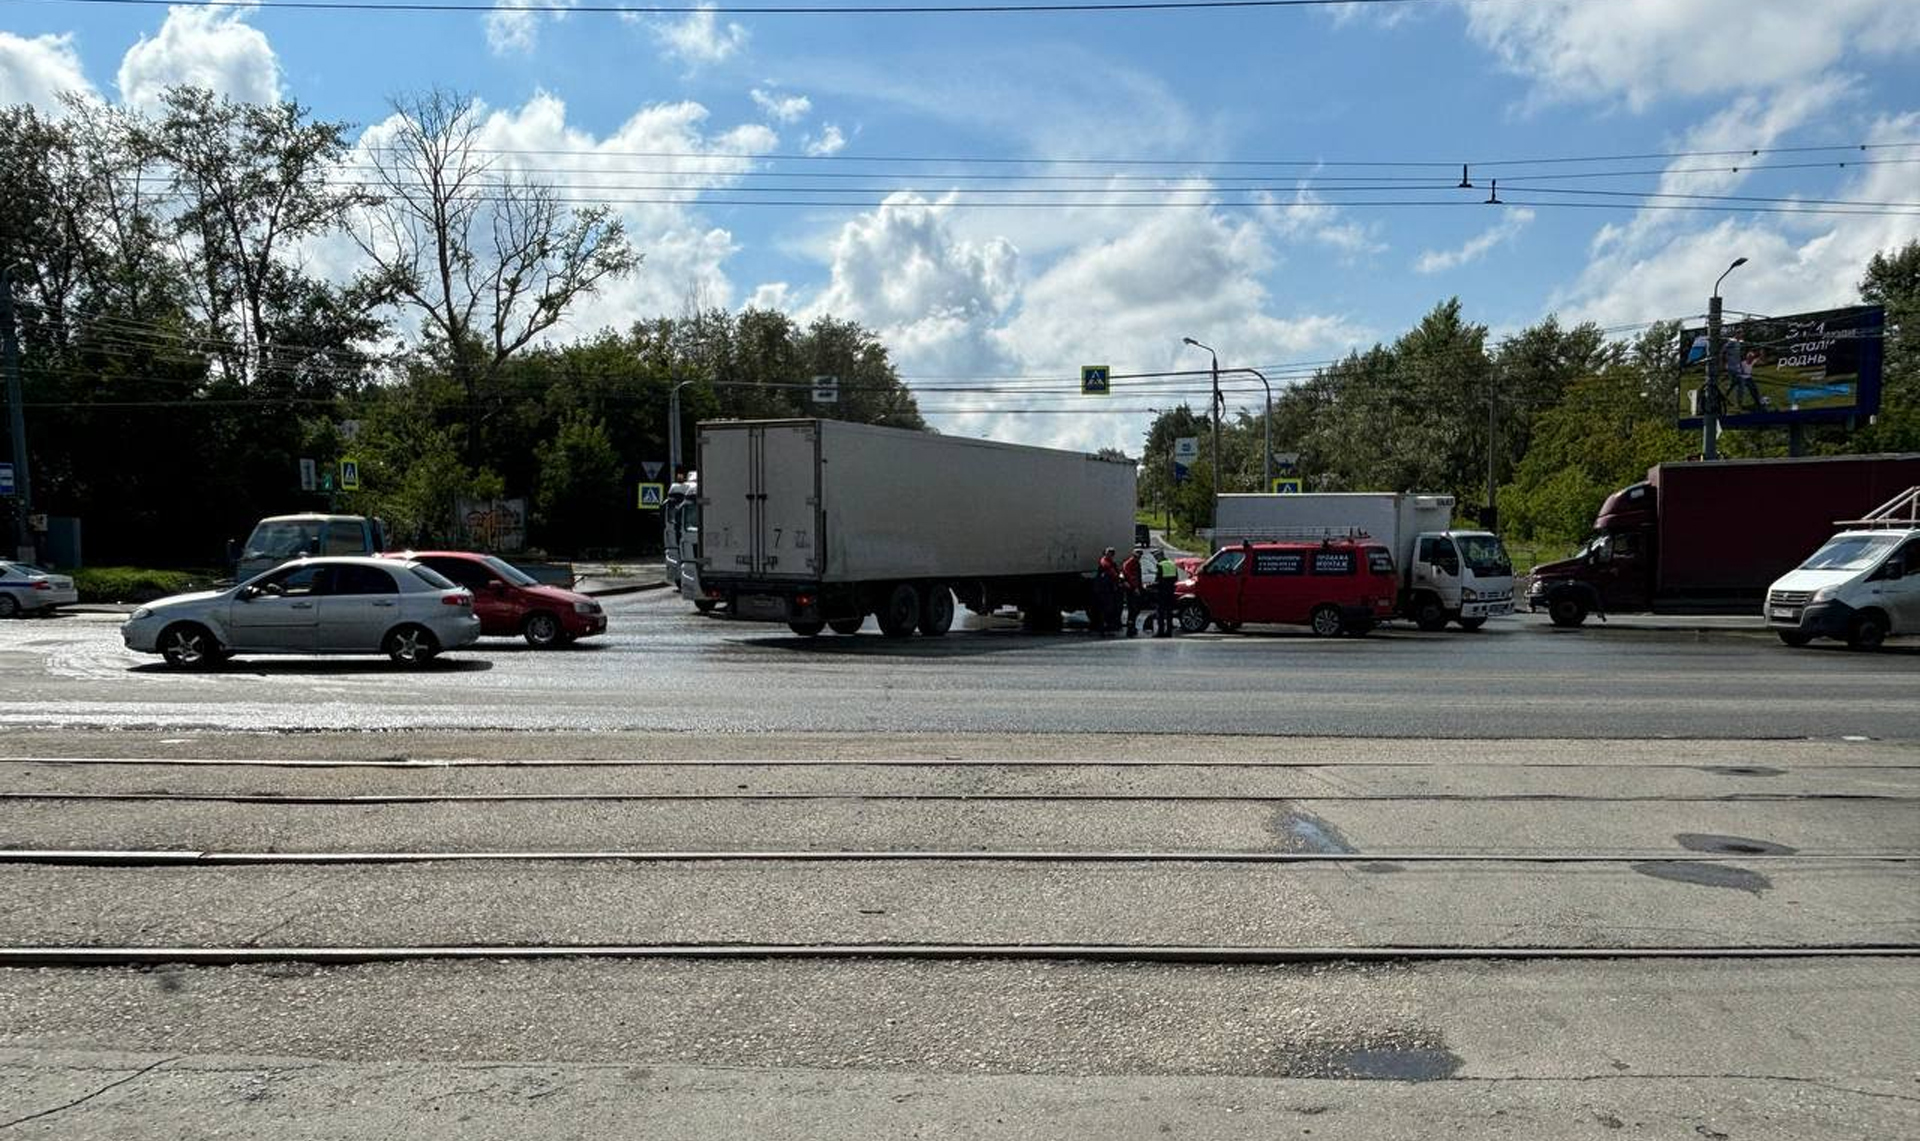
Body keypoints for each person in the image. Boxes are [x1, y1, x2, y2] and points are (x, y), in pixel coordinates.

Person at [1093, 547, 1120, 635]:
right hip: (1104, 590)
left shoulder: (1109, 562)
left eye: (1112, 554)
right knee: (1106, 609)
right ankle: (1103, 627)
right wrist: (1119, 578)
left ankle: (1106, 626)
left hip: (1108, 589)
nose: (1111, 555)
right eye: (1109, 553)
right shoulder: (1105, 562)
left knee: (1108, 608)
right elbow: (1113, 573)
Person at [1153, 548, 1177, 637]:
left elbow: (1158, 580)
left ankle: (1160, 631)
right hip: (1171, 592)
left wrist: (1152, 585)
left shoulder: (1160, 565)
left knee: (1160, 613)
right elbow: (1176, 579)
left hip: (1162, 592)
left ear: (1159, 556)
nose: (1156, 559)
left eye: (1156, 557)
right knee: (1169, 612)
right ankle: (1169, 631)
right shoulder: (1172, 564)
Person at [1121, 548, 1144, 636]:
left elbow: (1138, 576)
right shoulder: (1128, 564)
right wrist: (1135, 588)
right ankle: (1130, 627)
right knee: (1132, 609)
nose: (1139, 558)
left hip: (1136, 588)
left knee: (1137, 609)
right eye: (1138, 556)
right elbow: (1130, 577)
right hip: (1130, 589)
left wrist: (1140, 587)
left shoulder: (1137, 563)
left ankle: (1132, 625)